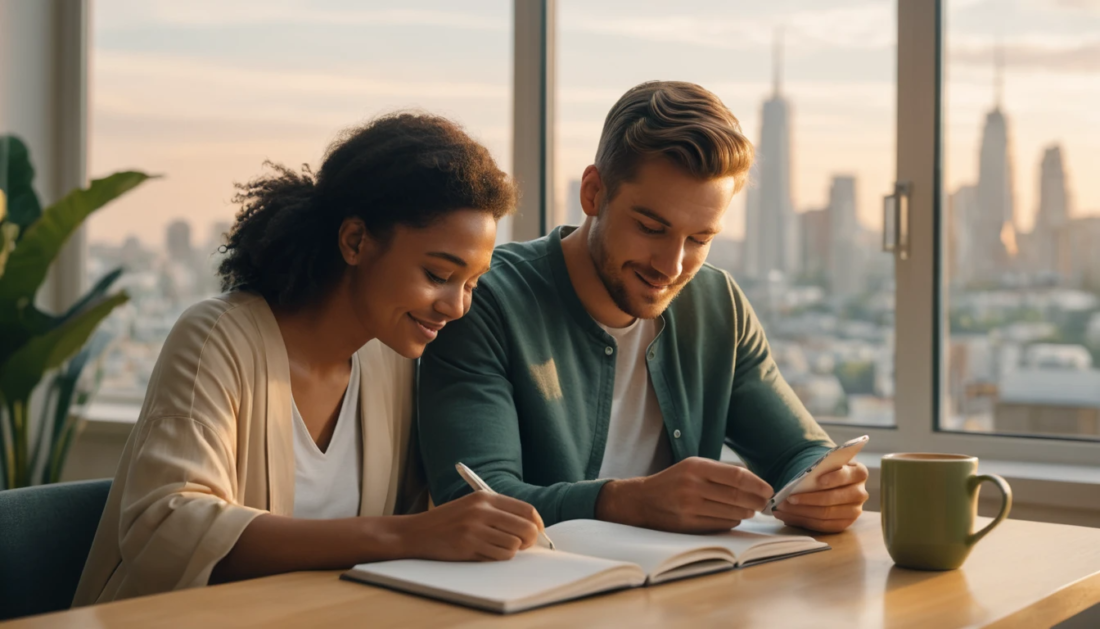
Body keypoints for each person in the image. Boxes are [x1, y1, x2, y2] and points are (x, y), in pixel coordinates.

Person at [74, 113, 544, 606]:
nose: (456, 306)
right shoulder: (218, 339)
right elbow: (168, 525)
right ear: (355, 241)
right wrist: (405, 535)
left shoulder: (392, 362)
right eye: (436, 274)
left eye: (470, 284)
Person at [418, 82, 869, 535]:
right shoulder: (487, 301)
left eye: (700, 240)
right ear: (593, 193)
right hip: (533, 596)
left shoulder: (719, 306)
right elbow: (476, 499)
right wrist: (626, 500)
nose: (671, 266)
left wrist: (826, 486)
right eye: (652, 228)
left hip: (683, 594)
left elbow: (798, 452)